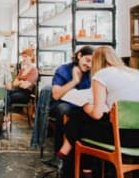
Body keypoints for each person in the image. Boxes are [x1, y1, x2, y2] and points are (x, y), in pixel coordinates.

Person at [57, 46, 139, 177]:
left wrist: (84, 104)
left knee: (79, 119)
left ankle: (69, 159)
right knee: (83, 120)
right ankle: (82, 165)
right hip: (137, 138)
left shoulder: (101, 74)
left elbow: (97, 114)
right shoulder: (135, 73)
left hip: (121, 137)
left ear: (96, 62)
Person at [45, 45, 93, 166]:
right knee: (65, 110)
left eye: (92, 62)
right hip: (62, 104)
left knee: (90, 114)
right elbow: (56, 95)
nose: (89, 65)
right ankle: (58, 155)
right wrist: (74, 81)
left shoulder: (91, 73)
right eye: (87, 60)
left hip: (82, 106)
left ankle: (85, 158)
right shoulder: (63, 70)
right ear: (79, 55)